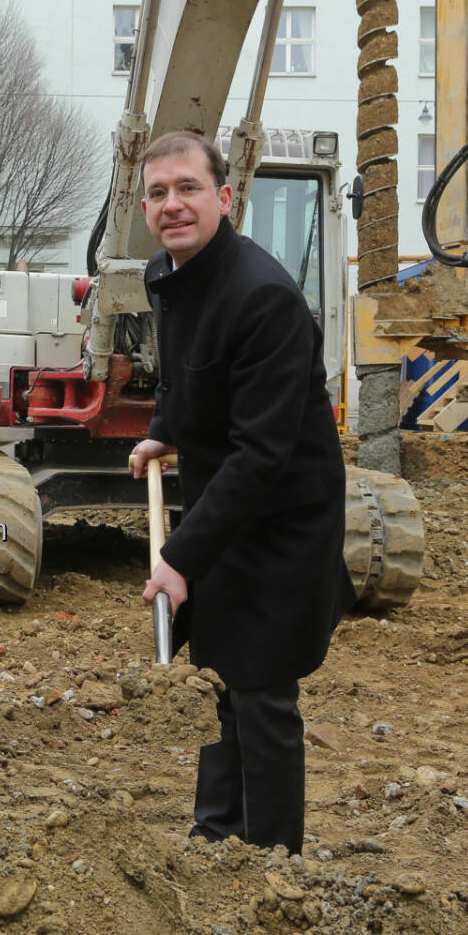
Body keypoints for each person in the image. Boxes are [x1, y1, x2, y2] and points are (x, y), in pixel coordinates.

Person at [129, 130, 355, 855]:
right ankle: (215, 831)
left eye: (188, 188)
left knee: (260, 689)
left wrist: (180, 557)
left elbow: (263, 453)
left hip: (281, 516)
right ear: (144, 205)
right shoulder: (170, 272)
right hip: (229, 501)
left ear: (224, 198)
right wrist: (166, 430)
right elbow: (185, 372)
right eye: (160, 192)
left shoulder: (263, 297)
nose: (174, 205)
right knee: (217, 672)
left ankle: (272, 861)